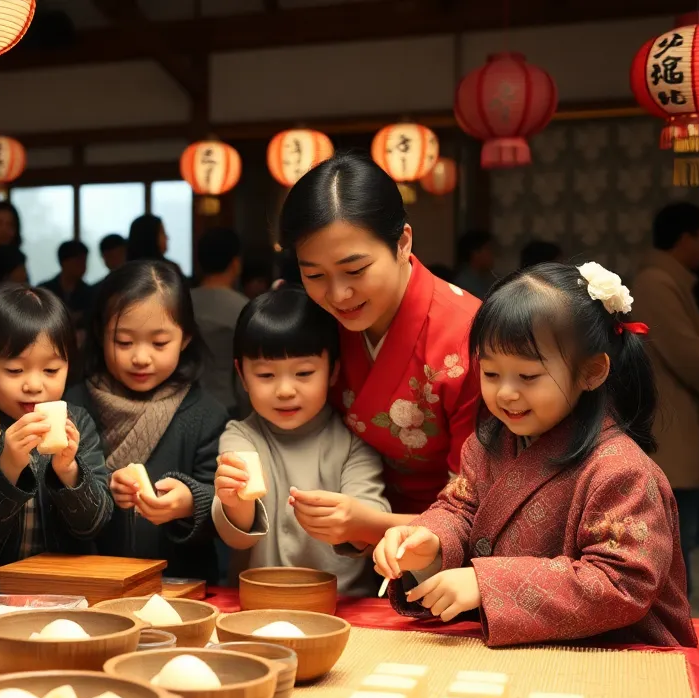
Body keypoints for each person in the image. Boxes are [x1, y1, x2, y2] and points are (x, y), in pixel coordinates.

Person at [373, 261, 696, 649]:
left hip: (621, 658)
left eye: (527, 376)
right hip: (527, 653)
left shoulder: (622, 471)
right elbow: (460, 510)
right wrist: (431, 542)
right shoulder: (487, 444)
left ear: (591, 372)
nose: (505, 393)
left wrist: (485, 584)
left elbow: (621, 582)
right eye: (491, 374)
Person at [280, 152, 482, 527]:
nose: (338, 295)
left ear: (402, 243)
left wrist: (369, 523)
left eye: (355, 270)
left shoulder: (467, 336)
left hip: (442, 536)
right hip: (336, 519)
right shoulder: (317, 321)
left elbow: (477, 508)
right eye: (315, 276)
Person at [213, 289, 391, 593]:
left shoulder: (353, 440)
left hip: (345, 603)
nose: (285, 390)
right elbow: (238, 537)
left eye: (304, 373)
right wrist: (235, 500)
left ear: (333, 370)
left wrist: (349, 520)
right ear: (242, 375)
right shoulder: (241, 437)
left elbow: (371, 531)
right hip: (262, 600)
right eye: (266, 375)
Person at [65, 261, 228, 582]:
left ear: (185, 338)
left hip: (179, 586)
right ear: (100, 334)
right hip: (88, 583)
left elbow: (229, 514)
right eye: (124, 342)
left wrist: (191, 502)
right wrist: (99, 488)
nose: (141, 358)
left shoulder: (206, 414)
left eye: (159, 343)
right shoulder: (72, 406)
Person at [0, 285, 112, 590]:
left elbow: (94, 525)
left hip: (67, 590)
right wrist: (8, 466)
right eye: (15, 370)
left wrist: (69, 472)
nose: (34, 385)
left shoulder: (78, 423)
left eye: (51, 370)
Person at [630, 202, 699, 588]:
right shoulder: (656, 282)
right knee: (679, 547)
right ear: (684, 239)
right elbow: (691, 359)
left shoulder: (667, 280)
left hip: (680, 425)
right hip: (671, 428)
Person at [190, 227, 249, 415]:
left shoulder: (183, 303)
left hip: (186, 400)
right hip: (227, 403)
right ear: (235, 263)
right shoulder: (243, 307)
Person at [39, 239, 94, 331]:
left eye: (85, 261)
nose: (83, 266)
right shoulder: (45, 290)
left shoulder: (90, 293)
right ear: (64, 262)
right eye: (78, 261)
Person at [452, 229, 497, 300]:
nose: (492, 253)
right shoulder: (464, 282)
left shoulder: (487, 278)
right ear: (475, 253)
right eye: (488, 249)